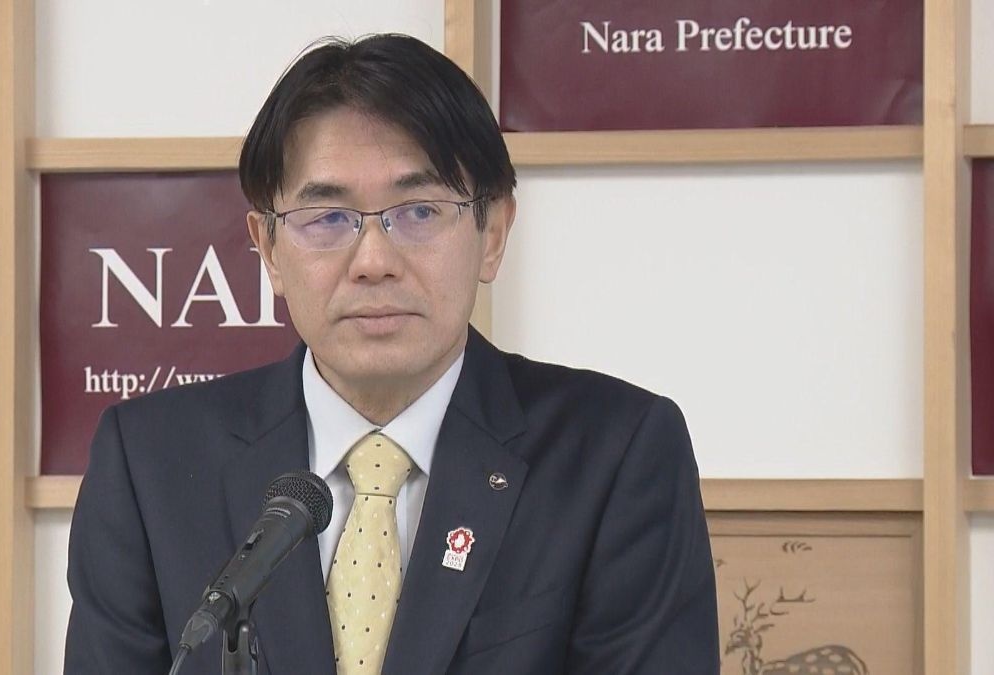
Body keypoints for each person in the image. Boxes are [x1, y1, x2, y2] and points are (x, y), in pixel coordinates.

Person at [64, 34, 718, 674]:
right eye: (328, 218)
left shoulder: (615, 455)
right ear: (268, 249)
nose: (373, 261)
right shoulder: (150, 464)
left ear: (492, 233)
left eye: (419, 212)